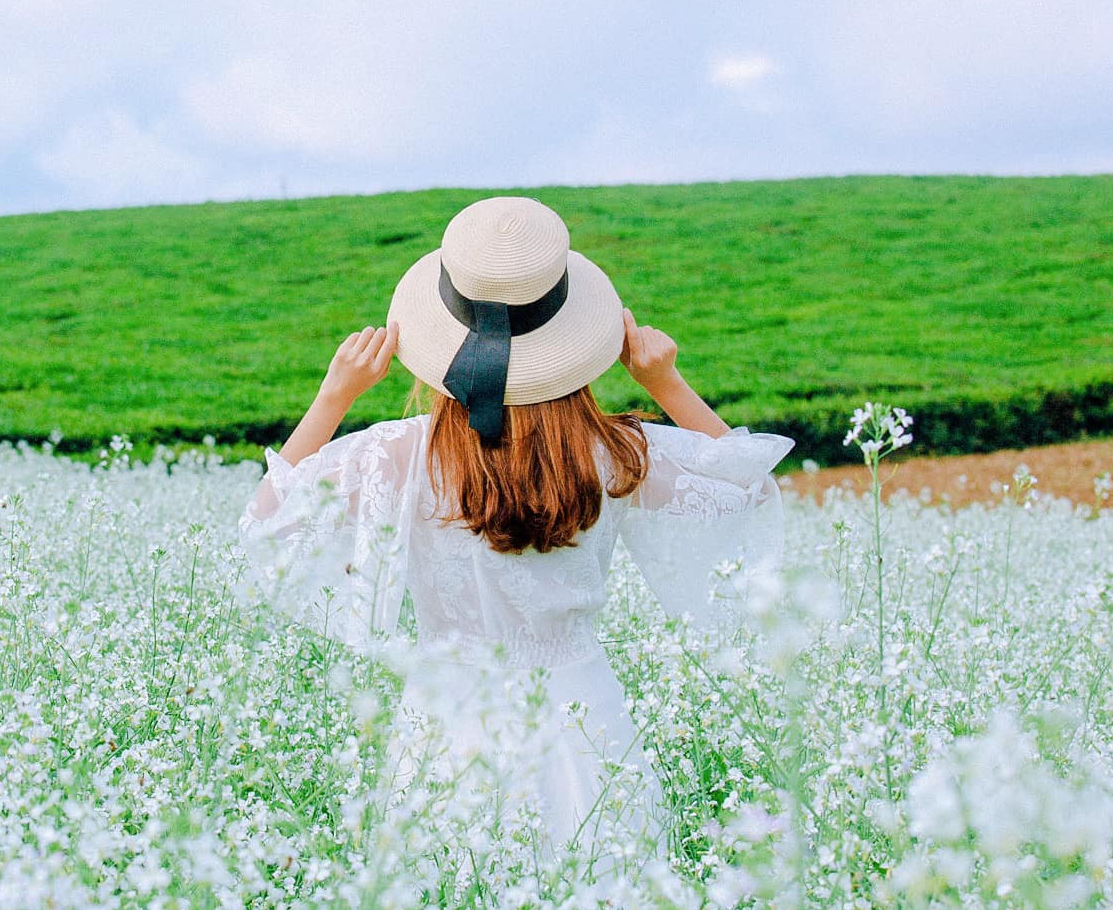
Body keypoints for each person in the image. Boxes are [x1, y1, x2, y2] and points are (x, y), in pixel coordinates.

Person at [237, 195, 794, 868]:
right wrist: (665, 381)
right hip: (585, 723)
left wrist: (334, 395)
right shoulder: (618, 452)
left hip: (446, 728)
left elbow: (268, 521)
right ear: (575, 341)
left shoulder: (398, 456)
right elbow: (751, 494)